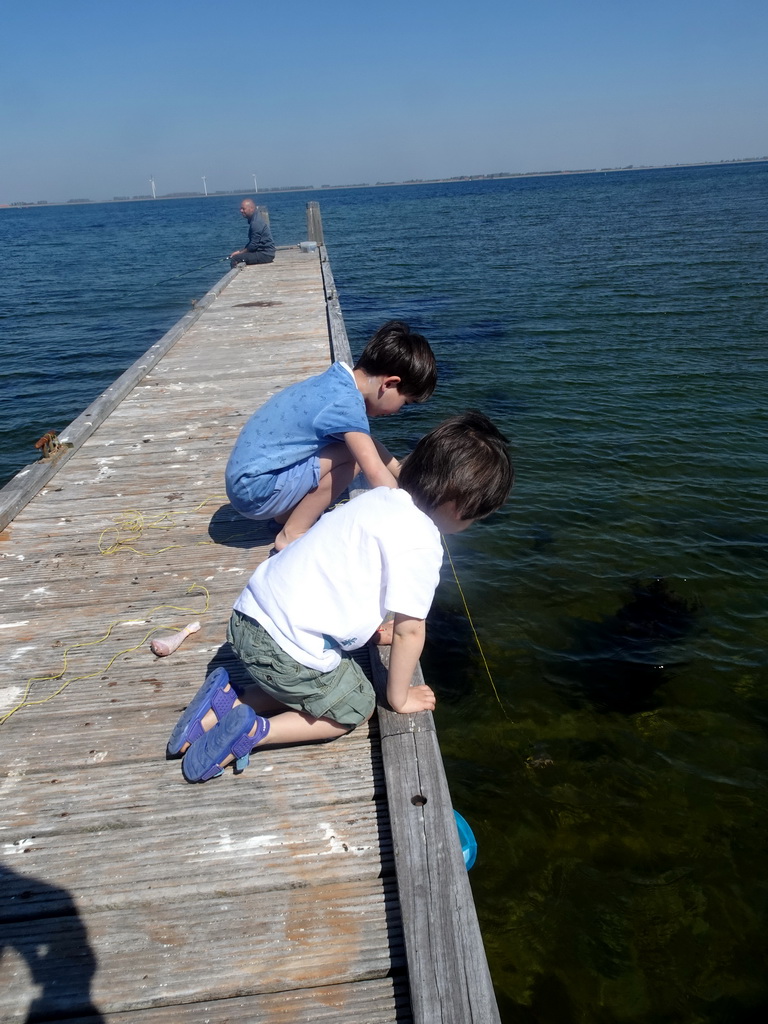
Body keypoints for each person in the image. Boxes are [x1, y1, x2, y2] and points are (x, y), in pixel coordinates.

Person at [167, 411, 514, 783]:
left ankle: (221, 706)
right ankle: (254, 732)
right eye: (475, 518)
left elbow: (344, 578)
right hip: (281, 650)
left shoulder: (378, 498)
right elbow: (409, 631)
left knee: (310, 681)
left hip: (248, 617)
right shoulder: (423, 543)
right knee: (354, 704)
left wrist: (368, 632)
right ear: (459, 510)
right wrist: (399, 698)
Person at [225, 320, 437, 551]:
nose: (397, 411)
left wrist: (402, 473)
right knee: (352, 457)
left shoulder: (337, 382)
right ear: (390, 383)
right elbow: (373, 469)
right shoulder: (347, 404)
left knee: (353, 447)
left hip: (248, 482)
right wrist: (413, 513)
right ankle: (292, 533)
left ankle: (285, 516)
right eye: (405, 403)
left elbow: (369, 444)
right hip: (257, 493)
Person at [229, 198, 275, 267]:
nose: (241, 211)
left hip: (265, 254)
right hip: (263, 252)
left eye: (243, 209)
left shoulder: (256, 223)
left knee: (235, 258)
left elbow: (253, 246)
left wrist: (240, 253)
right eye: (241, 209)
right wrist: (239, 252)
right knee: (238, 256)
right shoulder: (254, 219)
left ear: (252, 208)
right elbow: (252, 243)